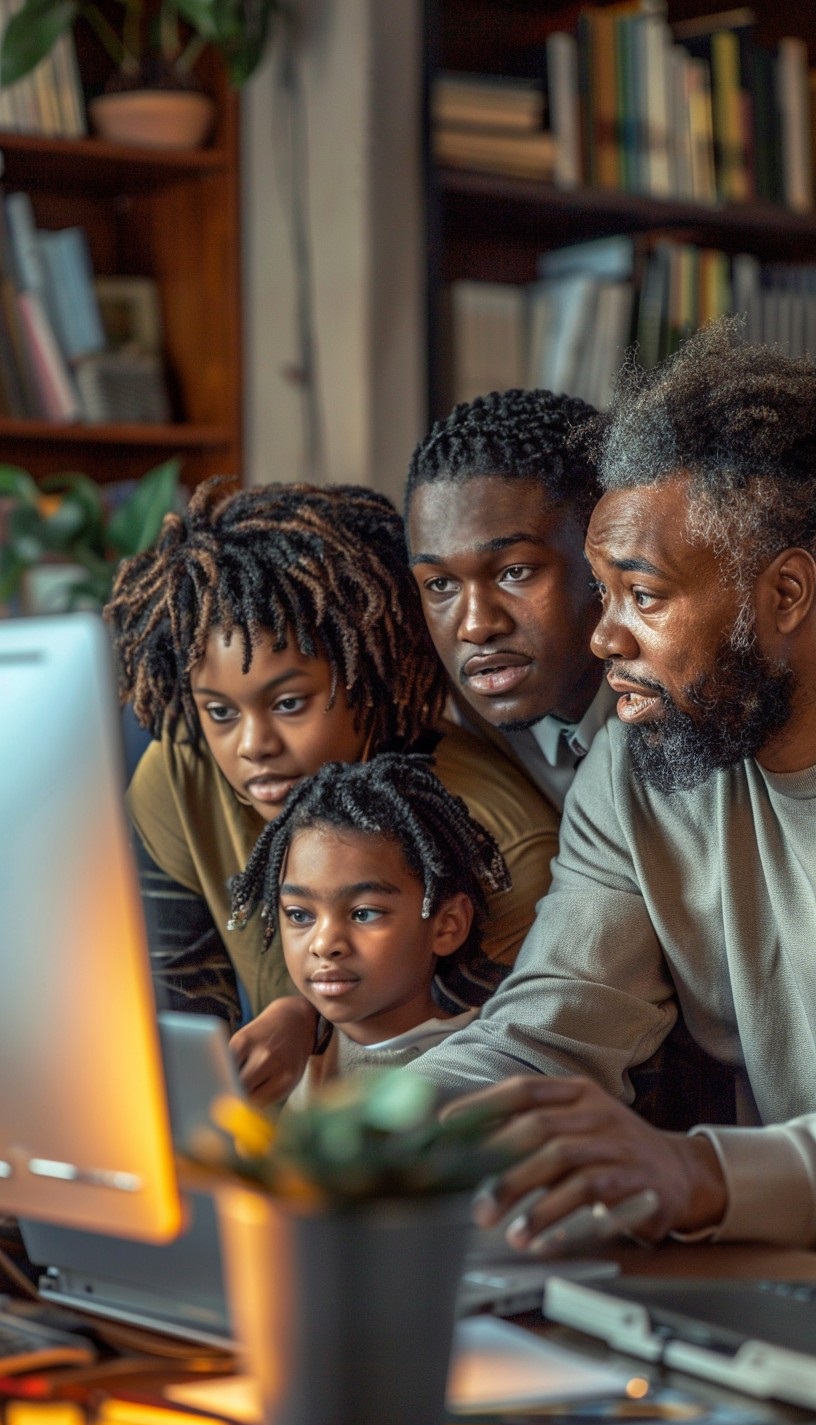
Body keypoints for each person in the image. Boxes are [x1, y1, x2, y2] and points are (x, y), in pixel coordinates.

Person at [404, 317, 816, 1250]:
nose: (603, 638)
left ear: (784, 595)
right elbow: (545, 1037)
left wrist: (695, 1171)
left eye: (646, 596)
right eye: (604, 592)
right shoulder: (639, 772)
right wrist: (369, 1137)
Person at [105, 476, 558, 1100]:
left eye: (289, 703)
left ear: (368, 675)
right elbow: (178, 1018)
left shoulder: (495, 837)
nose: (251, 745)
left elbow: (496, 1055)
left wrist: (309, 1019)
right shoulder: (181, 773)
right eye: (219, 712)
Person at [227, 754, 511, 1104]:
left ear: (446, 926)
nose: (324, 944)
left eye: (363, 914)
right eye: (300, 915)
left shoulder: (482, 1070)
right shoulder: (281, 1056)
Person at [404, 387, 617, 816]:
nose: (476, 626)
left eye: (514, 573)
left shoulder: (701, 712)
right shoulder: (438, 730)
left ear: (605, 557)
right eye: (441, 584)